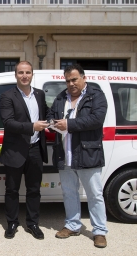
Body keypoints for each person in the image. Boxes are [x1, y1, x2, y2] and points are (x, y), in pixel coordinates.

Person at [47, 64, 108, 248]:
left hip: (87, 153)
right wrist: (52, 123)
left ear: (83, 78)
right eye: (67, 80)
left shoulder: (96, 95)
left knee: (95, 194)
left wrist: (69, 124)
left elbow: (97, 119)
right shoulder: (61, 98)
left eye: (74, 79)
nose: (71, 84)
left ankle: (99, 231)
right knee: (69, 193)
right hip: (65, 154)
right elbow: (51, 114)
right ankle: (73, 225)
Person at [0, 61, 50, 240]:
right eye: (21, 72)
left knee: (34, 189)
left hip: (35, 149)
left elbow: (46, 112)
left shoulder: (40, 94)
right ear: (16, 75)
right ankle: (12, 222)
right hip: (15, 150)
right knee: (12, 190)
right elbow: (8, 122)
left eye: (27, 72)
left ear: (32, 74)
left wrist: (54, 121)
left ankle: (33, 223)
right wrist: (32, 126)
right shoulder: (7, 96)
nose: (24, 76)